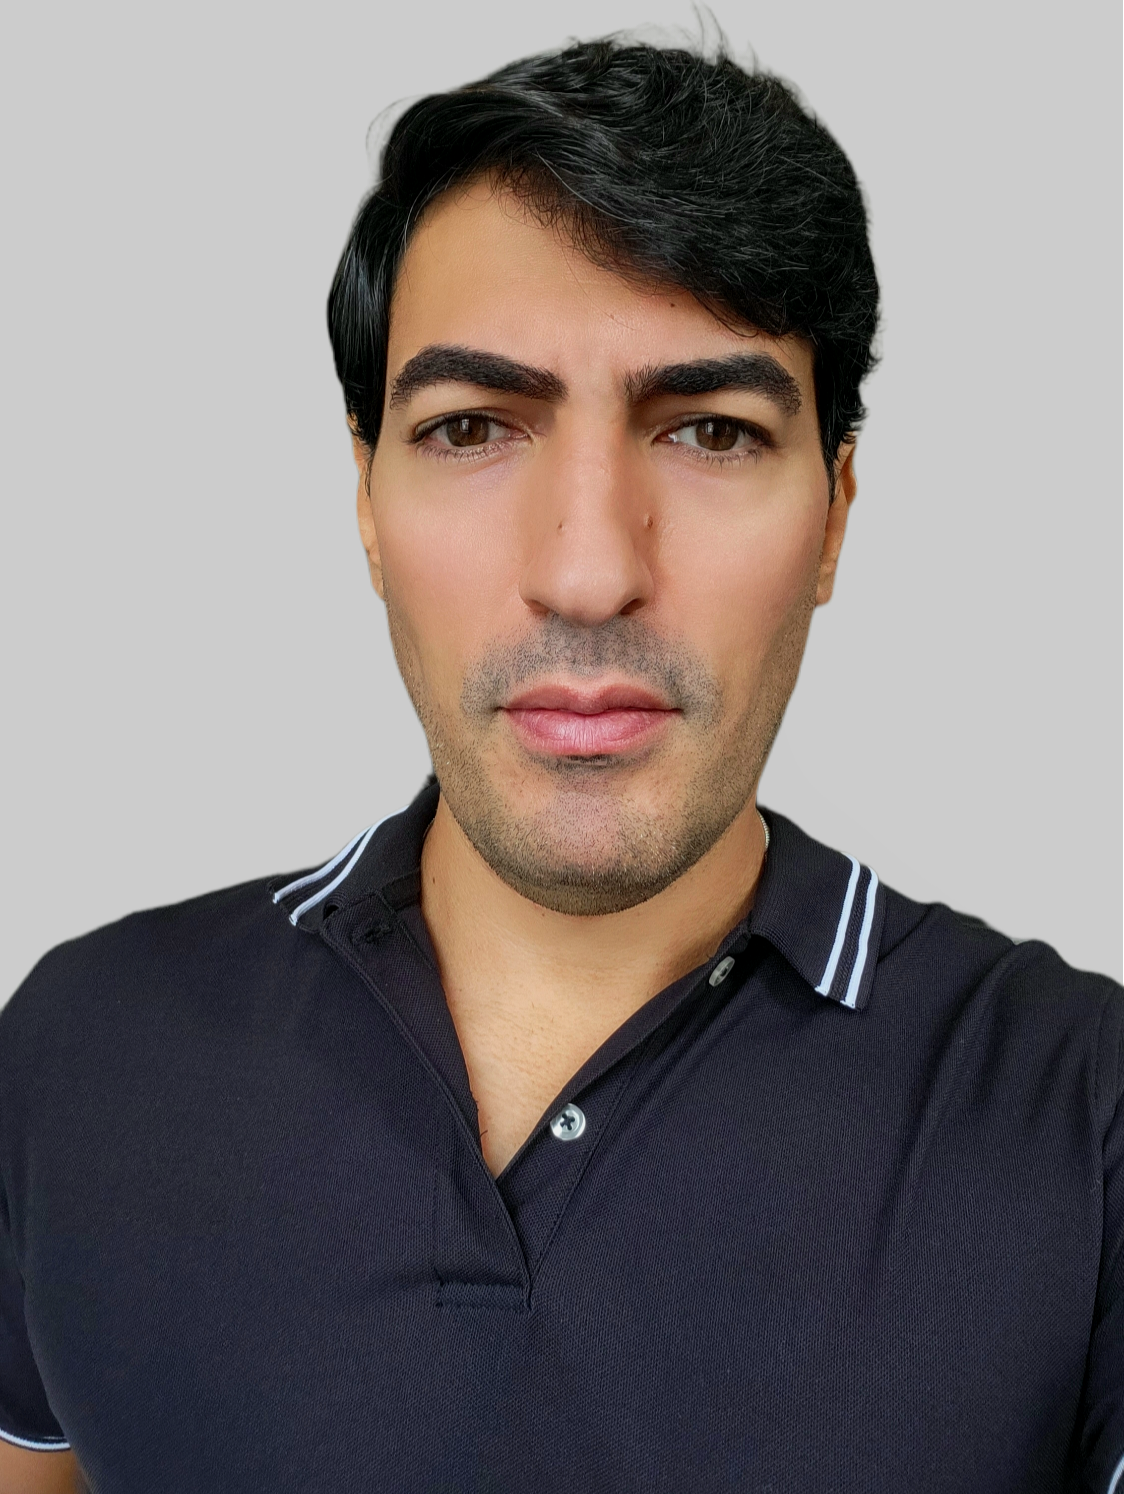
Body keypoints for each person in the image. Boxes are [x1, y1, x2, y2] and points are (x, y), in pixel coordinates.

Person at [1, 34, 1120, 1494]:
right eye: (472, 427)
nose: (589, 572)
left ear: (835, 513)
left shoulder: (1083, 1114)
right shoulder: (79, 1051)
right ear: (365, 498)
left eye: (710, 430)